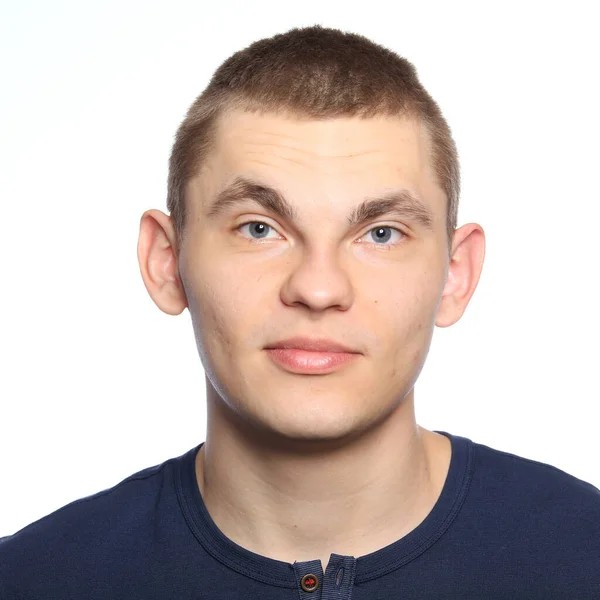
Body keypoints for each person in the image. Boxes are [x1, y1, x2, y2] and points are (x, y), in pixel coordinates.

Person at [1, 24, 598, 599]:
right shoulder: (31, 581)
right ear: (166, 261)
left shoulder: (583, 555)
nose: (317, 288)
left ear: (456, 274)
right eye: (260, 228)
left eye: (381, 234)